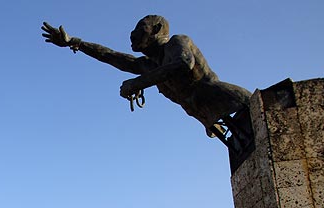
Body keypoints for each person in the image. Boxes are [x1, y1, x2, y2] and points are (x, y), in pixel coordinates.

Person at [41, 15, 252, 147]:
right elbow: (112, 56)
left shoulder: (177, 42)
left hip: (232, 103)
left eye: (140, 28)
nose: (132, 34)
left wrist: (138, 83)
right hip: (209, 117)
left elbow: (183, 64)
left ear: (158, 29)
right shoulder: (150, 65)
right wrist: (74, 42)